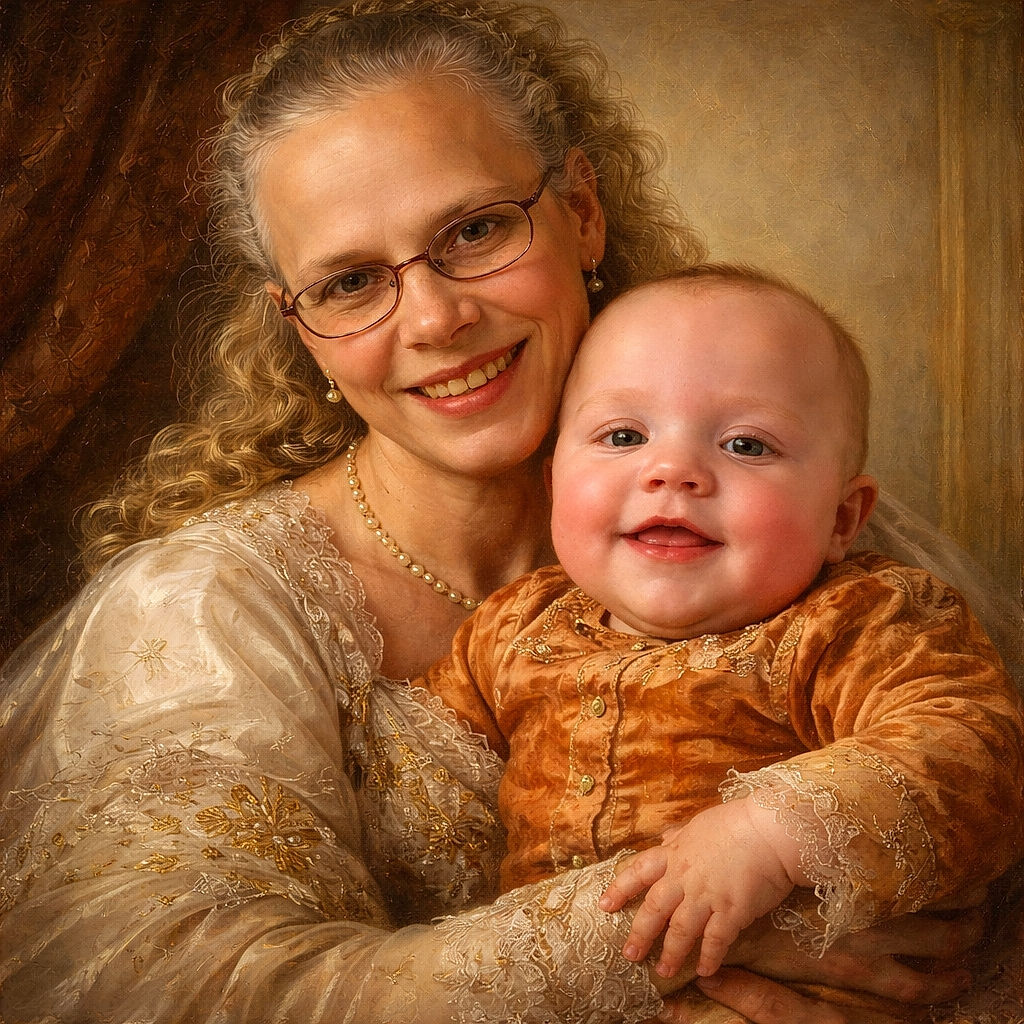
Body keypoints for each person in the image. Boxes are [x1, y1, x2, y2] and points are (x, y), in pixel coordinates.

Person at [0, 3, 1011, 1022]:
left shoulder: (792, 523)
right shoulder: (208, 616)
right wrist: (696, 927)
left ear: (582, 210)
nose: (436, 319)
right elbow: (188, 992)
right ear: (297, 327)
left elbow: (976, 781)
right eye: (351, 282)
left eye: (476, 229)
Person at [418, 266, 1024, 1015]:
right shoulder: (512, 628)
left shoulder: (862, 621)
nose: (672, 470)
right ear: (553, 483)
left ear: (842, 519)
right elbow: (420, 779)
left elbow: (972, 750)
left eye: (746, 445)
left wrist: (770, 833)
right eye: (624, 435)